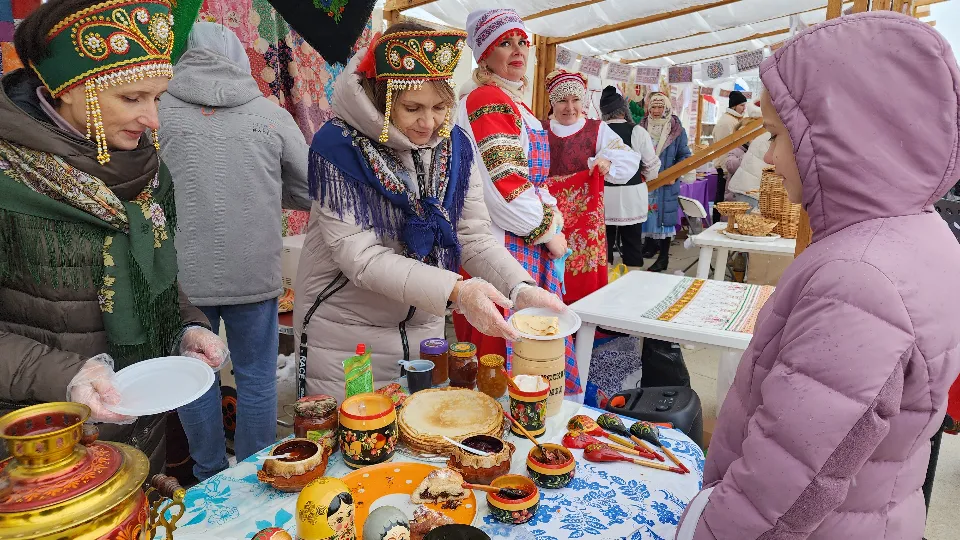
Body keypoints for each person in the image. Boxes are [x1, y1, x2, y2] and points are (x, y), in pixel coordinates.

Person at [675, 12, 960, 540]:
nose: (774, 158)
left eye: (781, 136)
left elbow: (786, 483)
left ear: (846, 134)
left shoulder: (861, 279)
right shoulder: (922, 232)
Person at [0, 0, 227, 475]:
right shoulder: (7, 180)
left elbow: (149, 269)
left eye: (158, 98)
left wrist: (185, 325)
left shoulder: (147, 172)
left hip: (138, 425)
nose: (153, 120)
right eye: (131, 98)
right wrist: (66, 376)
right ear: (67, 88)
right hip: (38, 447)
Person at [293, 22, 563, 400]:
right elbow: (362, 258)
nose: (429, 123)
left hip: (424, 327)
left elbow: (472, 237)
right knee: (358, 441)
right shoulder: (338, 150)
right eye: (412, 108)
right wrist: (456, 290)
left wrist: (519, 289)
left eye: (439, 107)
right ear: (380, 97)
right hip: (345, 333)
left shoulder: (455, 147)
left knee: (418, 434)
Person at [159, 22, 312, 479]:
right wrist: (266, 192)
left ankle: (208, 475)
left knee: (193, 379)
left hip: (182, 276)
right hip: (254, 268)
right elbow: (307, 189)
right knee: (258, 380)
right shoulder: (269, 115)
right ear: (241, 60)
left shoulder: (157, 110)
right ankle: (253, 478)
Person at [454, 9, 580, 394]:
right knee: (505, 364)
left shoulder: (514, 105)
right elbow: (504, 192)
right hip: (499, 248)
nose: (517, 50)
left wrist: (552, 216)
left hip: (520, 245)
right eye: (503, 43)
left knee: (531, 356)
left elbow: (532, 183)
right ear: (484, 54)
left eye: (521, 42)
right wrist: (548, 231)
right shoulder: (488, 100)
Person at [545, 75, 640, 303]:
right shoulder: (539, 130)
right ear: (552, 103)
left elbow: (629, 159)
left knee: (582, 280)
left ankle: (586, 329)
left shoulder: (597, 130)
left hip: (585, 225)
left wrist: (607, 162)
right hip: (548, 220)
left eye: (575, 100)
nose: (570, 107)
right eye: (562, 101)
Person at [599, 85, 661, 269]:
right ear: (624, 110)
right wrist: (646, 178)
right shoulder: (638, 131)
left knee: (604, 242)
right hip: (632, 194)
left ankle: (604, 280)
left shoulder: (598, 131)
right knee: (632, 242)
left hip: (603, 194)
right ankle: (633, 284)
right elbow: (651, 165)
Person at [639, 92, 692, 273]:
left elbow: (684, 156)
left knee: (664, 220)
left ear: (667, 108)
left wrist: (674, 175)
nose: (656, 110)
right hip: (645, 182)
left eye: (660, 107)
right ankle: (649, 247)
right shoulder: (641, 126)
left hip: (666, 182)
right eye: (653, 107)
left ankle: (663, 259)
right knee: (646, 218)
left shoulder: (676, 130)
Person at [710, 90, 747, 221]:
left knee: (723, 198)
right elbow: (724, 148)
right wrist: (726, 169)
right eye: (742, 105)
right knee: (721, 200)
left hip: (729, 165)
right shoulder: (727, 122)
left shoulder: (733, 120)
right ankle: (716, 225)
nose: (744, 108)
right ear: (734, 106)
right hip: (725, 167)